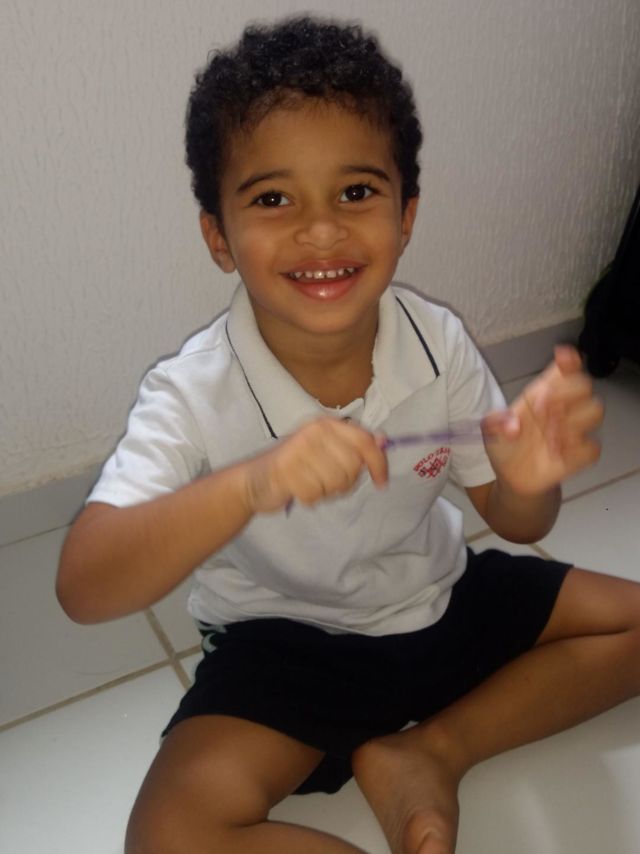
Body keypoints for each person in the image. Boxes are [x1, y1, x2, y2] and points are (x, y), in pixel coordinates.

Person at [56, 16, 640, 854]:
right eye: (273, 198)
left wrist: (528, 478)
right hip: (284, 642)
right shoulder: (189, 393)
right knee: (168, 835)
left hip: (435, 595)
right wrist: (250, 484)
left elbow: (518, 523)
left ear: (406, 216)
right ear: (218, 236)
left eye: (357, 192)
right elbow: (84, 588)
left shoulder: (437, 343)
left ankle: (432, 751)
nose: (322, 228)